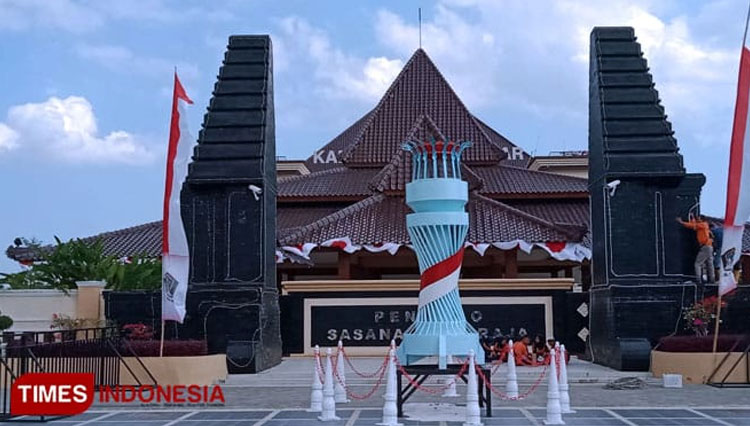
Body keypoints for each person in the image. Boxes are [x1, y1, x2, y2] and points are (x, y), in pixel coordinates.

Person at [677, 215, 715, 284]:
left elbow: (692, 226)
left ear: (701, 219)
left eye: (698, 218)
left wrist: (681, 222)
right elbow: (694, 225)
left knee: (697, 264)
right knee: (709, 264)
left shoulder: (702, 225)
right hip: (709, 246)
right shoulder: (704, 225)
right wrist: (693, 219)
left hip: (705, 246)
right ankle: (712, 279)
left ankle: (698, 280)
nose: (697, 219)